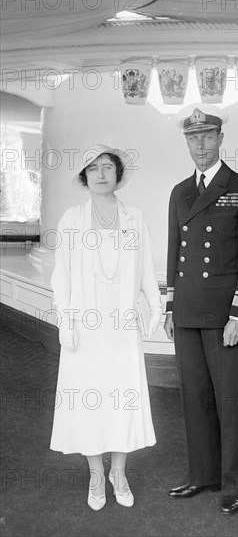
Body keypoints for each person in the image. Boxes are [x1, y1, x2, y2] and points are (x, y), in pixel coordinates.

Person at [164, 104, 238, 515]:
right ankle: (201, 475)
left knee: (227, 400)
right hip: (188, 313)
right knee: (195, 399)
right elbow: (174, 253)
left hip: (226, 317)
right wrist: (171, 307)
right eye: (193, 137)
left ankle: (229, 484)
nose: (200, 144)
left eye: (207, 136)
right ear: (187, 142)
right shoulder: (179, 192)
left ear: (221, 139)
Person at [50, 144, 162, 511]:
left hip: (122, 325)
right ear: (84, 176)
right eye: (93, 168)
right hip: (85, 324)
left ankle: (119, 472)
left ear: (118, 174)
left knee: (122, 398)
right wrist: (65, 320)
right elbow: (62, 276)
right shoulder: (71, 219)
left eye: (108, 167)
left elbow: (145, 268)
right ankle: (96, 474)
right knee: (88, 398)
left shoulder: (134, 218)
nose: (101, 173)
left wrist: (156, 306)